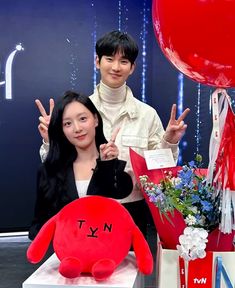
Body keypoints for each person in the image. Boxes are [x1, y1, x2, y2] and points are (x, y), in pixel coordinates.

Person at [35, 30, 190, 237]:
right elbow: (56, 167)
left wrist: (169, 142)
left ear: (132, 67)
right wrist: (50, 141)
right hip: (85, 213)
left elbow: (160, 171)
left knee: (133, 268)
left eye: (124, 61)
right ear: (97, 62)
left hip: (132, 211)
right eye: (109, 59)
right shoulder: (79, 112)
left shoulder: (147, 115)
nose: (116, 67)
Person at [29, 91, 133, 240]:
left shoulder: (113, 166)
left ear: (96, 120)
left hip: (110, 256)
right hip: (66, 258)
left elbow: (122, 210)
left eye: (83, 119)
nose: (77, 128)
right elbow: (37, 229)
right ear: (62, 130)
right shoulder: (49, 170)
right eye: (67, 123)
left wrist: (107, 166)